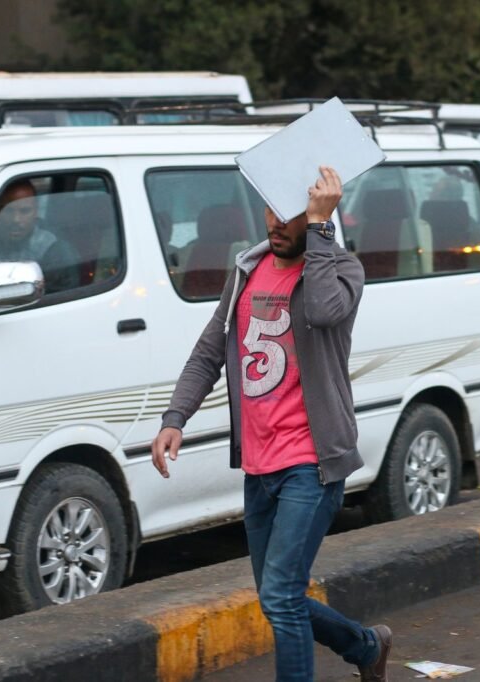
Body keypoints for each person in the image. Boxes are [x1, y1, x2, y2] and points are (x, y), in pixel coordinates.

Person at [151, 167, 391, 682]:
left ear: (317, 217)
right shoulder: (246, 270)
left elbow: (325, 312)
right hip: (259, 465)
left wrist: (323, 232)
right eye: (270, 210)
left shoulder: (342, 270)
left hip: (312, 462)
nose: (277, 223)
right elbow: (209, 350)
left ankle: (360, 652)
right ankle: (366, 649)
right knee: (277, 597)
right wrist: (176, 417)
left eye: (293, 213)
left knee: (281, 596)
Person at [0, 180, 80, 294]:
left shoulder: (54, 251)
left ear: (36, 212)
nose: (16, 219)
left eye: (25, 211)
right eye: (8, 210)